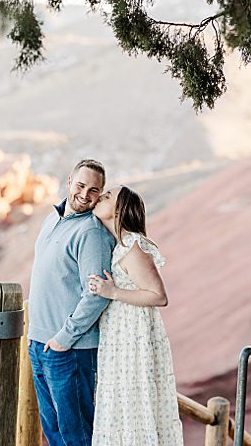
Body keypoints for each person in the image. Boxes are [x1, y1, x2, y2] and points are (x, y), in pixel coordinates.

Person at [27, 158, 115, 446]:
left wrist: (64, 339)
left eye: (94, 190)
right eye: (81, 185)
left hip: (70, 350)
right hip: (39, 344)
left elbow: (96, 295)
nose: (85, 194)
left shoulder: (91, 233)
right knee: (54, 434)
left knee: (76, 436)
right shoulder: (51, 219)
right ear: (69, 181)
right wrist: (37, 339)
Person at [87, 186, 183, 446]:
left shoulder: (132, 246)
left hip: (133, 340)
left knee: (133, 408)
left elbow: (158, 295)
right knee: (120, 410)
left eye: (107, 196)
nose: (100, 197)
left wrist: (113, 292)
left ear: (118, 210)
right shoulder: (119, 245)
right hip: (120, 340)